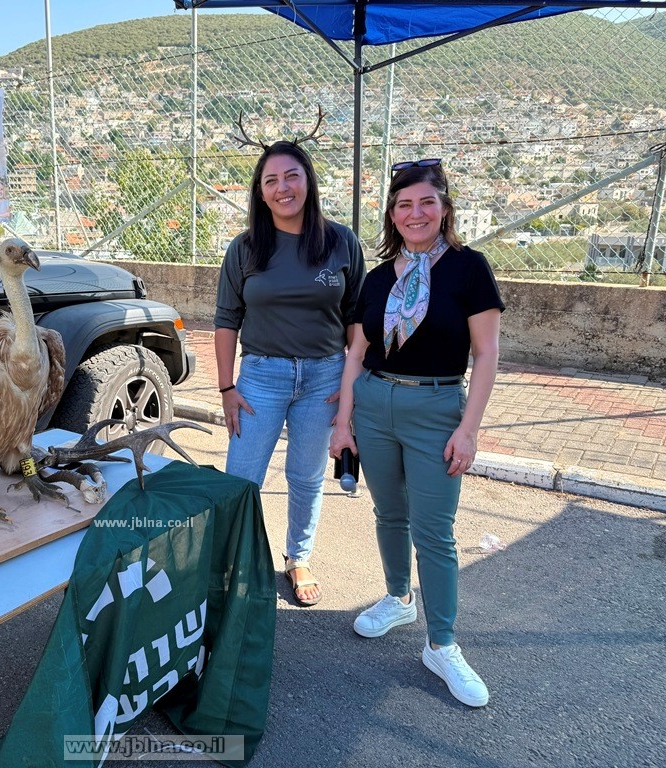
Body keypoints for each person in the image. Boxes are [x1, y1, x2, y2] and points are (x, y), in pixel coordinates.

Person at [329, 159, 504, 707]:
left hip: (436, 407)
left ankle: (442, 644)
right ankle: (398, 598)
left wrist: (468, 430)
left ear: (445, 208)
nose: (415, 213)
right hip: (375, 402)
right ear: (392, 214)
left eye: (427, 201)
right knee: (389, 513)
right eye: (404, 204)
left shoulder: (469, 268)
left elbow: (486, 354)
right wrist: (343, 423)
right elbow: (357, 352)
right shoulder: (380, 277)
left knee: (434, 531)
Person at [214, 139, 365, 607]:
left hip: (325, 379)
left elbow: (357, 320)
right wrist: (226, 387)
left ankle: (298, 557)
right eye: (271, 180)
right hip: (261, 377)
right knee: (242, 479)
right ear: (261, 192)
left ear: (308, 181)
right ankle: (234, 561)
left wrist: (350, 387)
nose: (283, 188)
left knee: (305, 476)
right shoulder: (245, 248)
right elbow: (226, 320)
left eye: (292, 176)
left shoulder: (341, 242)